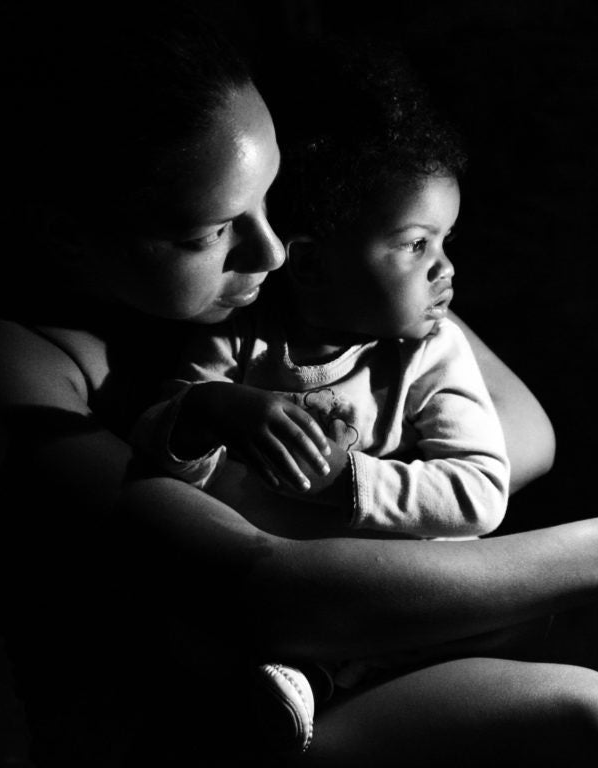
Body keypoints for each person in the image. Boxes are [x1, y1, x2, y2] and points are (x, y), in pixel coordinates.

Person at [0, 0, 598, 767]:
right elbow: (264, 593)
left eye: (275, 202)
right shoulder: (8, 367)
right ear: (64, 231)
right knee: (587, 723)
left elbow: (522, 433)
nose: (275, 251)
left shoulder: (272, 302)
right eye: (210, 232)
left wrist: (339, 466)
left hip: (348, 664)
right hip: (195, 735)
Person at [128, 41, 509, 750]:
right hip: (265, 596)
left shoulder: (430, 353)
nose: (445, 267)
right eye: (415, 245)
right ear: (308, 263)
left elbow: (482, 491)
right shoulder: (244, 341)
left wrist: (350, 483)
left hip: (379, 595)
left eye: (444, 241)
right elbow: (156, 457)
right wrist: (210, 413)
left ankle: (319, 684)